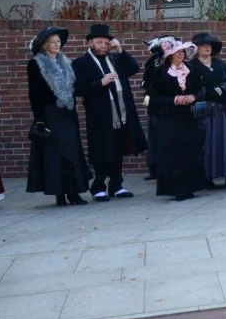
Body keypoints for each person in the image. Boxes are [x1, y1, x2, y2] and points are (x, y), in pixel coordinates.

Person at [72, 24, 147, 202]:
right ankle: (98, 186)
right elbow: (77, 89)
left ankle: (116, 185)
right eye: (99, 42)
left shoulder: (115, 58)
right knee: (101, 150)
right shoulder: (81, 63)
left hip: (121, 114)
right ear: (90, 42)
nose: (103, 46)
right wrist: (100, 83)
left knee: (118, 149)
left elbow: (133, 69)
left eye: (106, 43)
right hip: (99, 116)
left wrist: (120, 50)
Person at [26, 26, 91, 205]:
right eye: (52, 42)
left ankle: (75, 193)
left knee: (73, 152)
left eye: (58, 42)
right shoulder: (36, 63)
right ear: (44, 45)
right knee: (55, 154)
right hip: (50, 114)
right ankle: (60, 194)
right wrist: (39, 118)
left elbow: (75, 88)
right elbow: (34, 94)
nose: (56, 44)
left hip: (68, 113)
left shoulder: (66, 63)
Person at [188, 32, 226, 189]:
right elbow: (192, 88)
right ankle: (207, 177)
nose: (207, 47)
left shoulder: (222, 65)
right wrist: (206, 93)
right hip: (205, 112)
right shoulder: (191, 67)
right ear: (196, 48)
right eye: (203, 45)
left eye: (209, 45)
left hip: (223, 110)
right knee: (207, 144)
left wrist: (219, 90)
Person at [151, 37, 207, 201]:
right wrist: (174, 100)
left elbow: (201, 90)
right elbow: (153, 98)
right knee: (173, 153)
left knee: (191, 151)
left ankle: (191, 186)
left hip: (189, 118)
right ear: (170, 55)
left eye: (182, 52)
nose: (181, 55)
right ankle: (177, 189)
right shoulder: (160, 73)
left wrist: (193, 96)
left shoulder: (192, 69)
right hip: (169, 119)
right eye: (177, 52)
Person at [140, 36, 169, 181]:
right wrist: (145, 84)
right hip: (153, 103)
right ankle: (154, 167)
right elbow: (146, 78)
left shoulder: (172, 60)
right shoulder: (152, 61)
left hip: (168, 104)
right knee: (154, 135)